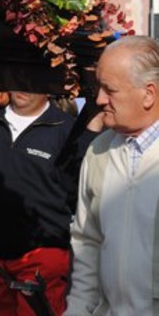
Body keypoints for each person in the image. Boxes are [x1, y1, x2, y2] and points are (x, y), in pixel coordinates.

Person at [0, 90, 98, 316]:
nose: (23, 87)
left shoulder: (67, 129)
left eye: (33, 81)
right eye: (18, 78)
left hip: (43, 255)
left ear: (49, 88)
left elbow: (74, 193)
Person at [65, 36, 159, 316]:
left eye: (110, 89)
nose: (99, 99)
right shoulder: (99, 151)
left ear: (149, 94)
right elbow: (87, 241)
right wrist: (77, 311)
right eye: (98, 87)